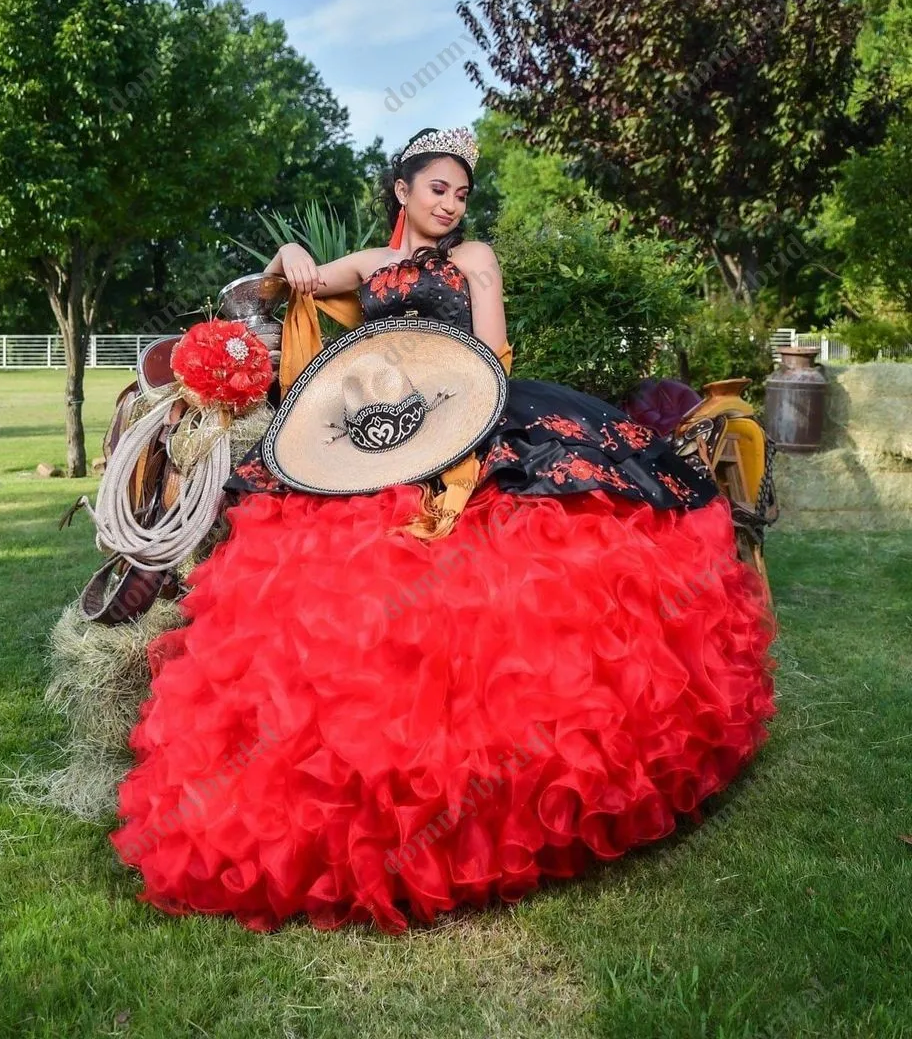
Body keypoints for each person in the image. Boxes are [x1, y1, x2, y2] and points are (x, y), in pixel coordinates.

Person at [109, 126, 777, 934]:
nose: (451, 204)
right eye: (438, 189)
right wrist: (289, 251)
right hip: (382, 425)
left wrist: (452, 411)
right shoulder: (370, 263)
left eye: (461, 194)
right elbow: (308, 279)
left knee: (537, 542)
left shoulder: (474, 260)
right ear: (403, 190)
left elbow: (491, 351)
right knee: (324, 551)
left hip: (471, 409)